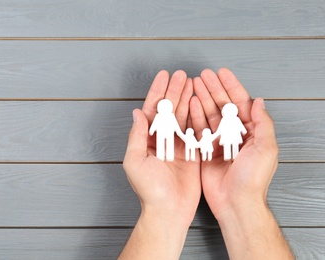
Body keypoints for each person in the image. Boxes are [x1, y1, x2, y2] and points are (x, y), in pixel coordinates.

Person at [119, 69, 295, 259]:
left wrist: (244, 200)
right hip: (177, 137)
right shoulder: (166, 116)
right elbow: (171, 128)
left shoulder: (223, 121)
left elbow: (191, 128)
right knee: (167, 147)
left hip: (225, 138)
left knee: (225, 150)